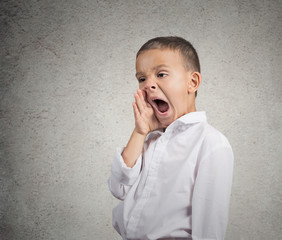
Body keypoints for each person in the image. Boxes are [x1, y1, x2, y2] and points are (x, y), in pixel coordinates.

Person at [108, 36, 234, 240]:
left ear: (192, 82)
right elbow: (119, 188)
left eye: (161, 74)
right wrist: (140, 132)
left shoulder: (211, 143)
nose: (148, 84)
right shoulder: (150, 140)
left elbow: (210, 228)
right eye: (141, 78)